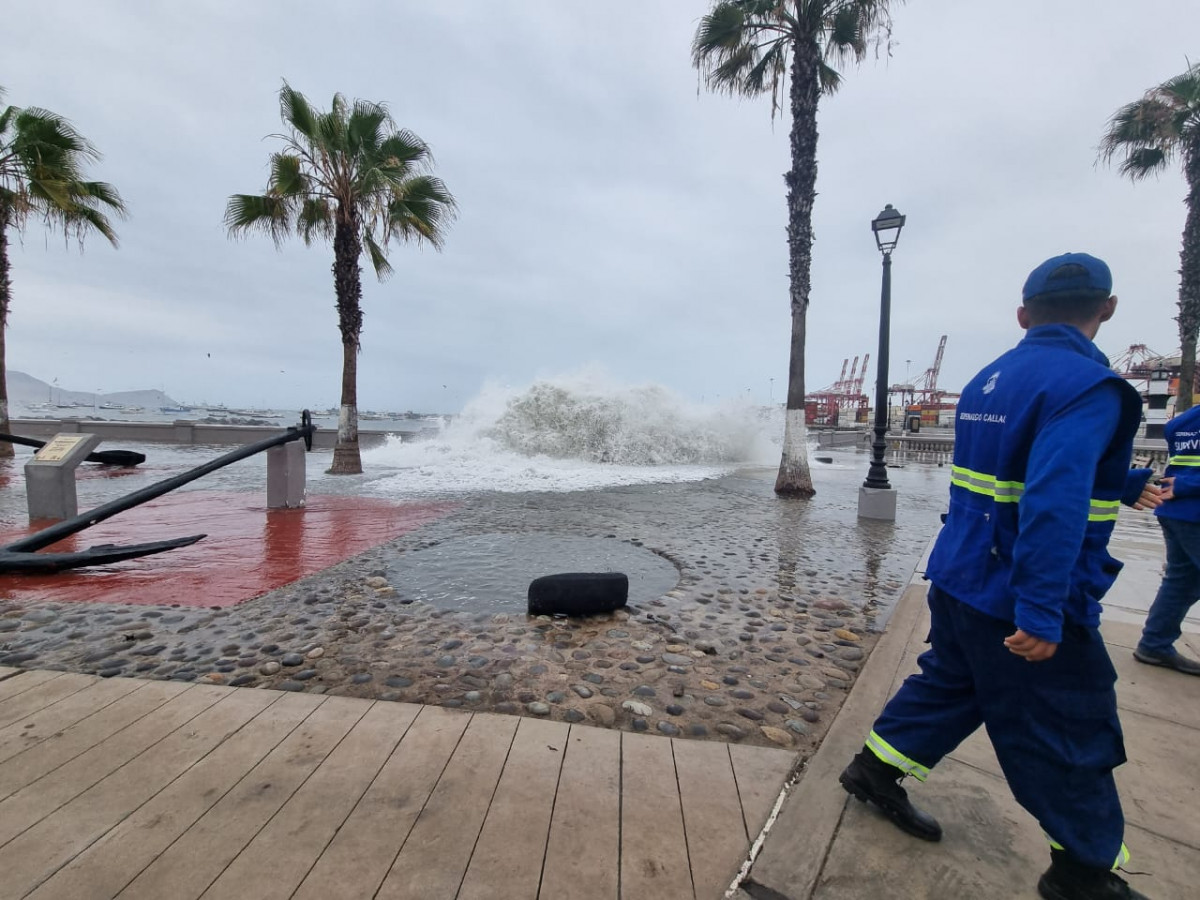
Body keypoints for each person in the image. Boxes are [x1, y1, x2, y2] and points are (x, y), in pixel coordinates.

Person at [838, 252, 1159, 900]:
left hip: (959, 574)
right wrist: (1041, 610)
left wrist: (1116, 481)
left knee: (953, 684)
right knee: (1068, 726)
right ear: (1107, 308)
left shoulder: (989, 379)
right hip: (1018, 592)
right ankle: (1083, 873)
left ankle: (875, 769)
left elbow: (1014, 465)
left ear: (1022, 315)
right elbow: (1051, 499)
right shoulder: (1089, 387)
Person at [1134, 403, 1200, 675]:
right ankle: (1155, 643)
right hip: (1193, 511)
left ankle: (1155, 643)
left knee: (1182, 582)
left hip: (1174, 511)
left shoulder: (1181, 423)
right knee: (1181, 581)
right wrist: (1189, 485)